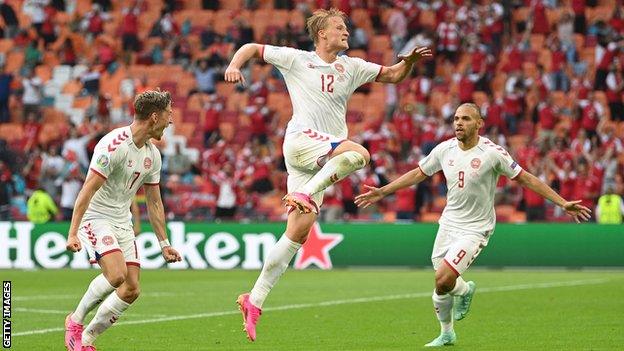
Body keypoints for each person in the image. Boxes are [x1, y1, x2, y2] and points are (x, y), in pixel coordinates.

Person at [224, 7, 432, 342]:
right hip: (302, 141)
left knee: (298, 234)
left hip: (319, 158)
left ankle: (254, 300)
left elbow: (393, 75)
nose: (346, 32)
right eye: (339, 27)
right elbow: (251, 47)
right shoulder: (296, 59)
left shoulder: (352, 66)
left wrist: (408, 62)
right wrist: (234, 65)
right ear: (322, 33)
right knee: (359, 153)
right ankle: (305, 194)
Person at [354, 103, 591, 347]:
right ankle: (449, 328)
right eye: (456, 118)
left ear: (479, 123)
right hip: (448, 224)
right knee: (442, 285)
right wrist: (383, 191)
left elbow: (526, 179)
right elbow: (418, 173)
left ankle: (462, 293)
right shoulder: (444, 149)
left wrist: (562, 203)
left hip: (475, 228)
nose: (458, 123)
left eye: (466, 119)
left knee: (442, 279)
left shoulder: (492, 153)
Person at [63, 90, 181, 351]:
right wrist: (73, 233)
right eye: (168, 115)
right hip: (96, 216)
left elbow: (154, 202)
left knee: (131, 289)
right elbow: (87, 190)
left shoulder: (153, 155)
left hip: (121, 220)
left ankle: (87, 341)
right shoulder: (113, 145)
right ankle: (74, 321)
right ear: (153, 117)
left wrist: (164, 243)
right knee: (117, 275)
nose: (171, 121)